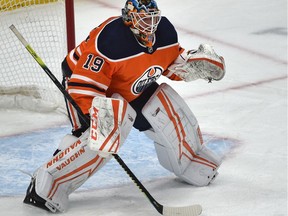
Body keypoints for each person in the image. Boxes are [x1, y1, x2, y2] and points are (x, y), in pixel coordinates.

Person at [23, 0, 226, 213]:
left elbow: (166, 63)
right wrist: (100, 120)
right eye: (144, 19)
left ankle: (191, 160)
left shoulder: (165, 31)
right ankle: (48, 184)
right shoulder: (110, 40)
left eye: (153, 17)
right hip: (88, 86)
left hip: (130, 83)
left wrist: (193, 66)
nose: (151, 24)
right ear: (129, 19)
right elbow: (83, 85)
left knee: (165, 106)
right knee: (103, 134)